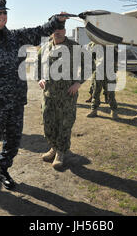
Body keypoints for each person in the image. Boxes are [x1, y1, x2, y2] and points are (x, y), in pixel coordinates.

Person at [0, 0, 68, 190]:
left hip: (16, 100)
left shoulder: (16, 37)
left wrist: (58, 21)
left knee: (13, 140)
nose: (2, 16)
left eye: (4, 12)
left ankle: (3, 170)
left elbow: (39, 31)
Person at [37, 27, 83, 170]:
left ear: (64, 31)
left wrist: (78, 82)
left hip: (67, 95)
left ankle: (61, 153)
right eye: (55, 29)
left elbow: (89, 65)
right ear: (51, 31)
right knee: (48, 123)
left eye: (61, 29)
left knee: (64, 124)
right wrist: (40, 78)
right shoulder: (45, 47)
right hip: (49, 94)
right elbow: (37, 65)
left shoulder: (74, 47)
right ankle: (53, 148)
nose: (58, 32)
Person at [86, 43, 119, 119]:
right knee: (96, 91)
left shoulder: (113, 44)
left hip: (110, 71)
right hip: (98, 71)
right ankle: (94, 110)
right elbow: (92, 56)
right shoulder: (94, 44)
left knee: (111, 92)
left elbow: (117, 56)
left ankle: (114, 111)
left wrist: (114, 68)